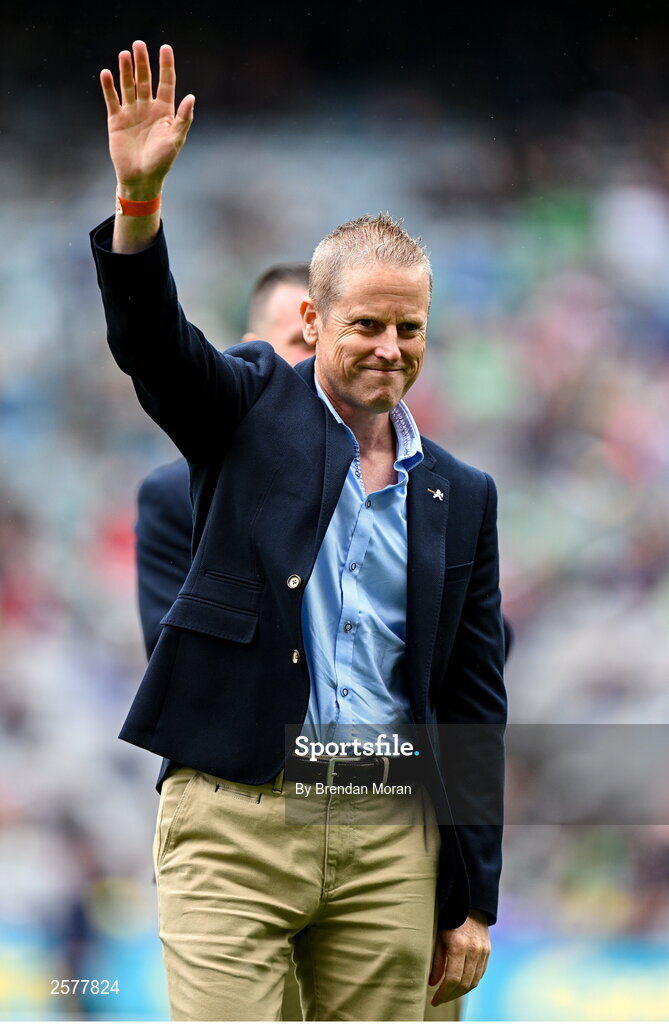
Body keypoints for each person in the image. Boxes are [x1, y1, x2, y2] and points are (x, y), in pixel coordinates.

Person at [92, 40, 506, 1022]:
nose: (389, 348)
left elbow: (471, 702)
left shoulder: (463, 493)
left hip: (387, 832)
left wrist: (473, 897)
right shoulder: (246, 408)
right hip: (240, 819)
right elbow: (153, 346)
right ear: (315, 322)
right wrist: (139, 204)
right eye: (367, 325)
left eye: (409, 328)